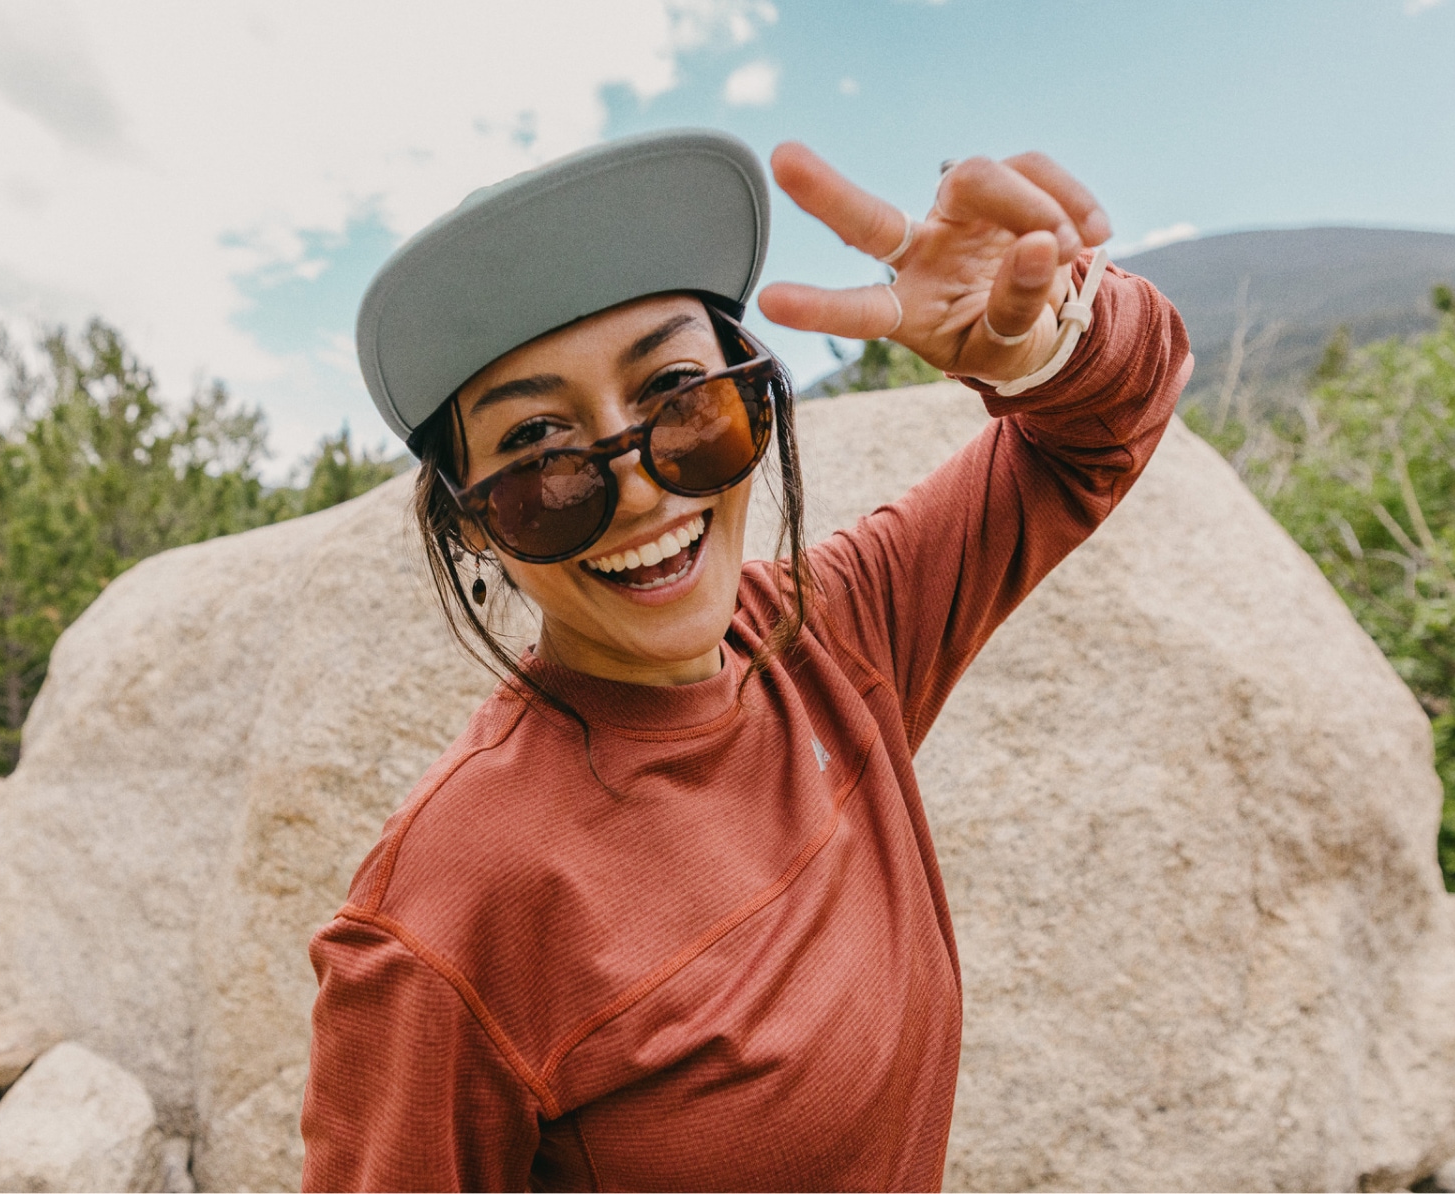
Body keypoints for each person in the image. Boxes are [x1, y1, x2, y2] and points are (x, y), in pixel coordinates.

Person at [301, 128, 1192, 1191]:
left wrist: (1042, 344)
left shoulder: (830, 636)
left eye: (681, 400)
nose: (640, 490)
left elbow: (1098, 432)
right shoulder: (448, 915)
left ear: (750, 398)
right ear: (473, 530)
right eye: (541, 459)